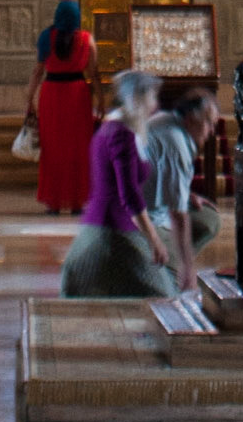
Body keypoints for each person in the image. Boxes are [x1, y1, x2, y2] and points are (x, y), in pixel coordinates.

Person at [59, 69, 174, 298]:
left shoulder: (111, 128)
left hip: (102, 223)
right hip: (115, 230)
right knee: (164, 296)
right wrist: (153, 240)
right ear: (140, 98)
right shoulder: (121, 134)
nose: (155, 104)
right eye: (152, 97)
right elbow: (129, 194)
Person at [25, 0, 98, 214]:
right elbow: (93, 72)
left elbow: (38, 71)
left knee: (52, 149)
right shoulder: (86, 39)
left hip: (52, 95)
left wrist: (29, 98)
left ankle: (53, 202)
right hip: (78, 95)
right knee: (78, 149)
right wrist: (101, 99)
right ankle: (77, 201)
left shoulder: (47, 37)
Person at [143, 90, 221, 290]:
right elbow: (177, 215)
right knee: (172, 288)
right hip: (143, 222)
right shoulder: (176, 144)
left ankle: (170, 262)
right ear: (189, 120)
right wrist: (188, 268)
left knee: (208, 218)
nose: (211, 131)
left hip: (148, 207)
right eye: (208, 123)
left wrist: (187, 195)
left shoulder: (166, 120)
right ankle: (167, 271)